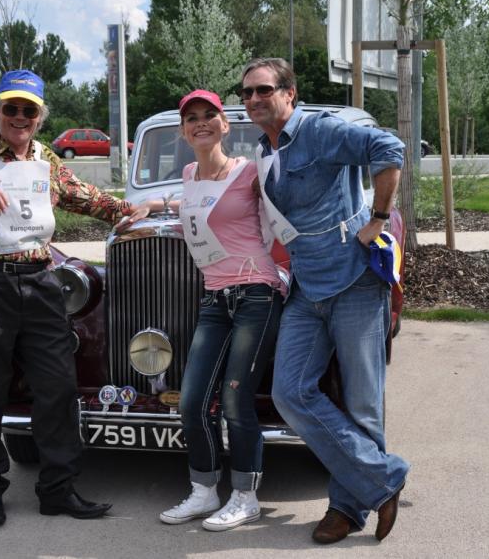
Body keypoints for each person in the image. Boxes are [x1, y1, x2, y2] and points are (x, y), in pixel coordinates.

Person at [0, 69, 157, 528]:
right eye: (11, 108)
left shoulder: (46, 159)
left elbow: (87, 198)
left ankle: (58, 488)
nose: (19, 117)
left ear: (40, 117)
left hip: (40, 282)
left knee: (57, 386)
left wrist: (138, 209)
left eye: (29, 110)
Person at [240, 58, 410, 543]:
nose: (254, 99)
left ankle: (347, 508)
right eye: (247, 92)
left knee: (361, 402)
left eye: (264, 90)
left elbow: (389, 149)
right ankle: (384, 478)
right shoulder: (264, 150)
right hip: (306, 286)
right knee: (289, 392)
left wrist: (378, 218)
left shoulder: (320, 130)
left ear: (289, 93)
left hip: (355, 281)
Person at [157, 89, 284, 531]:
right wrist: (152, 205)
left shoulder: (249, 172)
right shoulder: (189, 174)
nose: (201, 123)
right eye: (191, 118)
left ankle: (246, 496)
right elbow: (197, 210)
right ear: (183, 131)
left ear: (225, 125)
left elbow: (285, 208)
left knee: (234, 398)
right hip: (214, 298)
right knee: (191, 400)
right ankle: (204, 490)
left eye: (209, 115)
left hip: (256, 293)